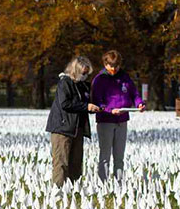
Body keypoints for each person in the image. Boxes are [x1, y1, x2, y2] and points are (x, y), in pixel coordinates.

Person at [45, 56, 101, 187]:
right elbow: (65, 103)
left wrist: (94, 108)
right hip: (63, 128)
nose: (85, 76)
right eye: (83, 73)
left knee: (76, 162)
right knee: (61, 162)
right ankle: (58, 190)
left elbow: (86, 103)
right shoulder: (65, 83)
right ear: (75, 70)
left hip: (77, 128)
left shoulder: (82, 86)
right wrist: (86, 107)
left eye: (87, 73)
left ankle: (74, 189)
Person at [91, 50, 145, 181]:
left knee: (119, 156)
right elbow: (97, 101)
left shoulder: (124, 77)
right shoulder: (99, 80)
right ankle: (102, 183)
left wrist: (139, 104)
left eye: (116, 66)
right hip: (106, 121)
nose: (114, 69)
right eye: (111, 66)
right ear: (105, 64)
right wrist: (110, 110)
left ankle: (119, 183)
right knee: (105, 155)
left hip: (122, 120)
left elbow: (134, 93)